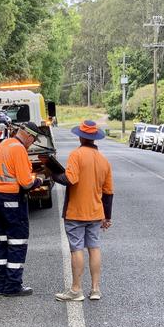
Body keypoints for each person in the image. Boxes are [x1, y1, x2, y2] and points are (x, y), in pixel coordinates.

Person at [53, 120, 114, 302]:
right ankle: (95, 289)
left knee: (76, 249)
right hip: (96, 213)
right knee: (94, 248)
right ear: (95, 138)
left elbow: (70, 179)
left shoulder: (76, 155)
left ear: (81, 136)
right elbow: (108, 193)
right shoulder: (104, 161)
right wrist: (107, 217)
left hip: (76, 213)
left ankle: (76, 289)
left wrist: (52, 174)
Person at [0, 121, 43, 296]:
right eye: (33, 140)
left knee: (3, 243)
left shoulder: (3, 144)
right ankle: (13, 286)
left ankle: (1, 285)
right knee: (17, 242)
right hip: (12, 201)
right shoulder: (19, 149)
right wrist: (39, 180)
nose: (32, 144)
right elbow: (26, 182)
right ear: (28, 135)